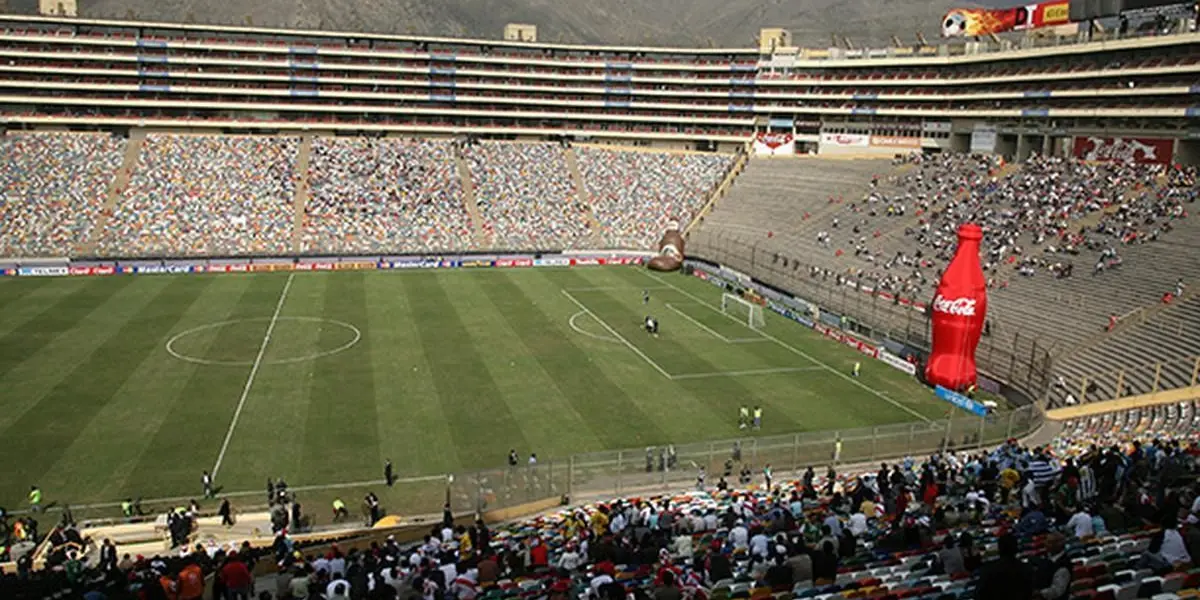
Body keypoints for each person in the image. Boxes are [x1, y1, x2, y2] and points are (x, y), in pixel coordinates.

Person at [978, 534, 1032, 600]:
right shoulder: (1026, 568)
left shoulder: (988, 570)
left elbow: (979, 594)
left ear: (999, 549)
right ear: (1016, 549)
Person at [1033, 533, 1071, 600]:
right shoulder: (1047, 558)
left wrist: (1039, 593)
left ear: (1058, 545)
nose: (1045, 544)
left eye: (1049, 542)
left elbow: (1057, 591)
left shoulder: (1063, 566)